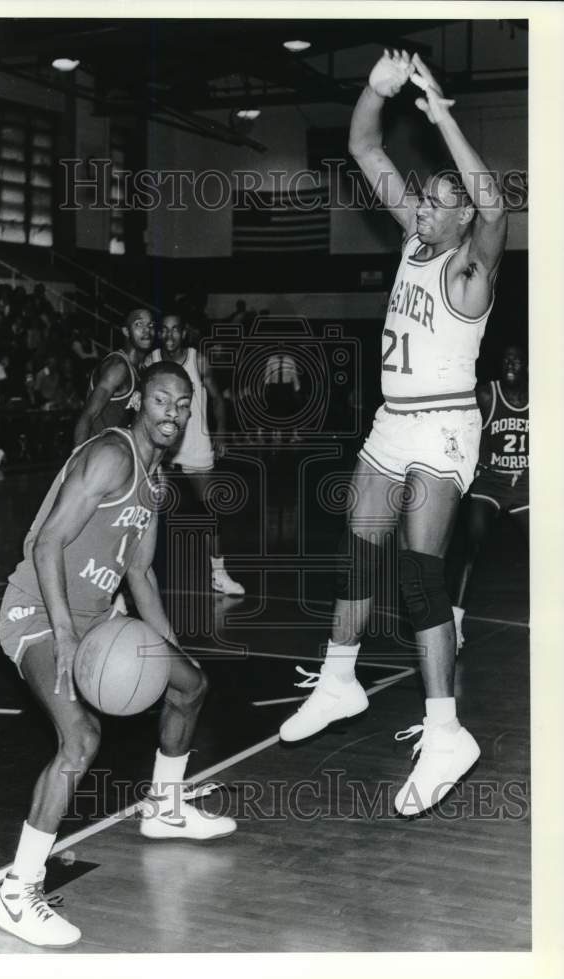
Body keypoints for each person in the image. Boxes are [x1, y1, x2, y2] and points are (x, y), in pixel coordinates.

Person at [278, 50, 508, 817]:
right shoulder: (415, 238)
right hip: (391, 420)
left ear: (461, 214)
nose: (425, 204)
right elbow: (364, 149)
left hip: (443, 424)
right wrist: (375, 91)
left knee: (418, 576)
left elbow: (498, 205)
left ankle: (447, 731)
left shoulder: (472, 270)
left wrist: (440, 110)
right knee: (361, 543)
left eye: (442, 199)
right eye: (427, 197)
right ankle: (340, 678)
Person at [0, 361, 237, 948]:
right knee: (80, 737)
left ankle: (164, 808)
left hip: (99, 616)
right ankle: (18, 892)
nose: (171, 414)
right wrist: (67, 636)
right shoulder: (111, 456)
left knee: (191, 685)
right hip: (36, 611)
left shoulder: (156, 481)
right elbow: (47, 541)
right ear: (139, 404)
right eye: (160, 400)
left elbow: (138, 569)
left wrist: (172, 648)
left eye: (182, 405)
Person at [148, 313, 245, 596]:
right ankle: (129, 585)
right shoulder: (151, 361)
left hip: (195, 446)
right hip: (160, 448)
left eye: (175, 330)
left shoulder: (197, 360)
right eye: (164, 330)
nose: (169, 336)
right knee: (143, 516)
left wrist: (221, 433)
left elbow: (217, 399)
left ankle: (219, 575)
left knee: (211, 513)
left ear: (183, 333)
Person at [450, 343, 529, 651]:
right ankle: (455, 624)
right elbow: (460, 423)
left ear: (526, 366)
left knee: (547, 552)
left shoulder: (542, 396)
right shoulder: (486, 395)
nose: (511, 363)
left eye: (517, 359)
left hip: (525, 482)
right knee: (472, 546)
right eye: (506, 358)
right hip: (490, 482)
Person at [73, 308, 154, 446]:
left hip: (119, 455)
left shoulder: (142, 369)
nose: (146, 330)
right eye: (139, 324)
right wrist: (77, 459)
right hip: (98, 456)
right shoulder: (117, 367)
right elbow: (87, 416)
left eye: (150, 325)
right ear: (126, 331)